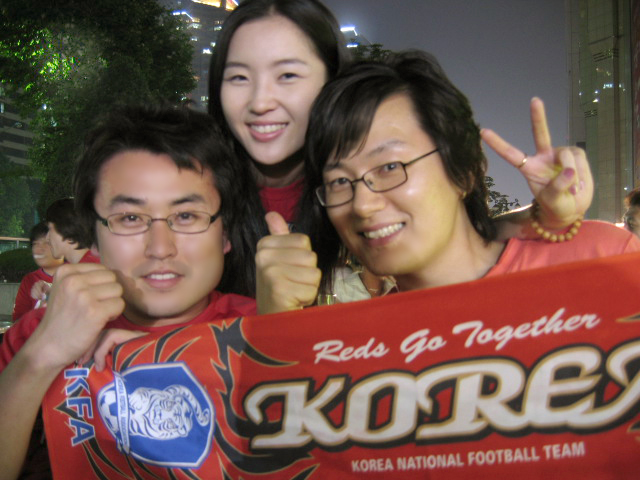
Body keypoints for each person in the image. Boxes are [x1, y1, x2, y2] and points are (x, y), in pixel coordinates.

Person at [209, 0, 593, 303]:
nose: (261, 101)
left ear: (333, 80)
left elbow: (445, 232)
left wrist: (542, 217)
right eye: (238, 77)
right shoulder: (200, 185)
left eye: (288, 75)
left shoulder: (345, 193)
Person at [257, 51, 640, 313]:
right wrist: (277, 327)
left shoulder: (601, 260)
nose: (362, 204)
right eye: (339, 181)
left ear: (464, 170)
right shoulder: (367, 345)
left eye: (389, 167)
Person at [0, 104, 257, 479]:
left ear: (226, 233)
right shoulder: (38, 334)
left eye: (186, 216)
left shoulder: (266, 333)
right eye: (131, 218)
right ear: (94, 238)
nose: (160, 248)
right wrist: (41, 357)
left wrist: (161, 357)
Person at [12, 222, 64, 321]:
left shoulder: (74, 275)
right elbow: (18, 320)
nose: (39, 249)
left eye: (47, 243)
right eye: (36, 244)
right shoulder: (29, 280)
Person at [45, 197, 101, 265]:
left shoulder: (88, 268)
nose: (47, 238)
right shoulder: (91, 263)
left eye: (50, 229)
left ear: (68, 230)